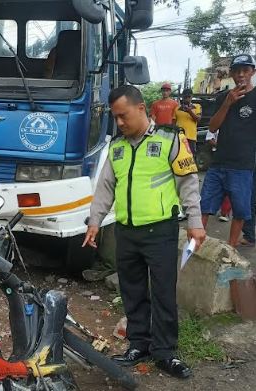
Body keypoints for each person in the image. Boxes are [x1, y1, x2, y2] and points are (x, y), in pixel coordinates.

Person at [83, 85, 205, 379]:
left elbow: (188, 183)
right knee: (133, 291)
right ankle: (139, 344)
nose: (120, 123)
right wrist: (95, 221)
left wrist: (195, 222)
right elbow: (105, 188)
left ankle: (165, 352)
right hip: (126, 232)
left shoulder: (170, 139)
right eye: (116, 118)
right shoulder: (118, 147)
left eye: (124, 116)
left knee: (162, 292)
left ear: (141, 109)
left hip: (160, 231)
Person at [200, 53, 256, 247]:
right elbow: (213, 127)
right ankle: (195, 246)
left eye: (245, 70)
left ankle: (230, 249)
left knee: (240, 211)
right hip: (218, 163)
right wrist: (227, 103)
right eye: (237, 71)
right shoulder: (223, 96)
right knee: (205, 207)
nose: (241, 74)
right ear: (231, 73)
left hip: (242, 166)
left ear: (252, 72)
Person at [205, 130, 232, 222]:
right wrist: (221, 147)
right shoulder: (217, 122)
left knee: (229, 183)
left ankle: (225, 212)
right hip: (217, 155)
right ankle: (211, 209)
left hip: (232, 157)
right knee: (215, 185)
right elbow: (209, 138)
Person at [175, 88, 201, 155]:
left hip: (191, 137)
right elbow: (173, 122)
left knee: (191, 156)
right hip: (179, 137)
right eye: (185, 97)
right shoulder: (177, 108)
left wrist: (190, 111)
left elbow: (198, 119)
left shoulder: (197, 106)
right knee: (179, 155)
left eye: (188, 97)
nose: (187, 98)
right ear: (182, 97)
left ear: (192, 96)